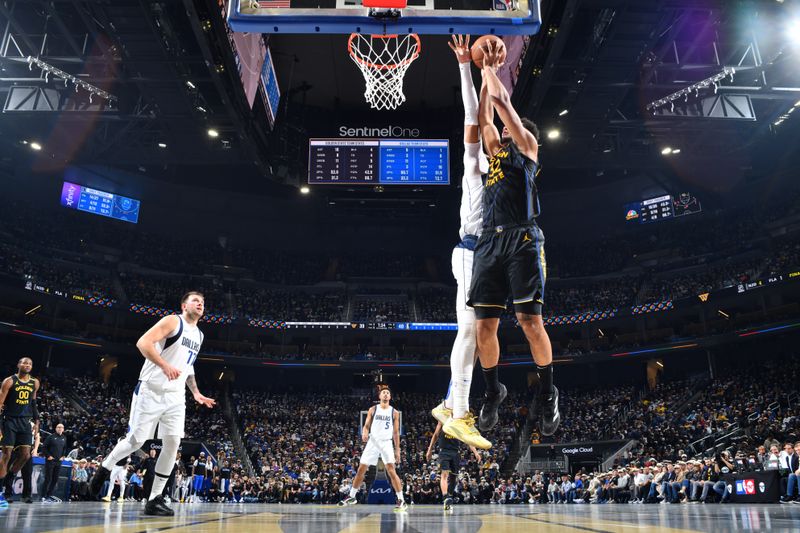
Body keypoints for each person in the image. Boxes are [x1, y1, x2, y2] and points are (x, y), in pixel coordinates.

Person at [467, 39, 559, 436]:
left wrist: (490, 67)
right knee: (483, 327)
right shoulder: (496, 149)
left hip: (523, 239)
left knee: (528, 321)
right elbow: (487, 117)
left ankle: (549, 392)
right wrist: (479, 74)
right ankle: (492, 392)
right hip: (489, 240)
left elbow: (503, 108)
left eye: (510, 129)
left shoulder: (527, 147)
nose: (503, 130)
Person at [88, 291, 216, 516]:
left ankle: (154, 498)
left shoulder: (200, 335)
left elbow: (188, 367)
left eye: (203, 302)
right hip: (151, 389)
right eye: (196, 301)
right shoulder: (172, 321)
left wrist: (196, 392)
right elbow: (143, 343)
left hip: (176, 396)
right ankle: (106, 466)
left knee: (173, 444)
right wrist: (164, 365)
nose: (200, 304)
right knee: (136, 441)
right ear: (184, 305)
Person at [429, 34, 490, 451]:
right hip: (470, 251)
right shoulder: (477, 165)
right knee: (468, 326)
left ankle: (451, 401)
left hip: (493, 257)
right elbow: (473, 115)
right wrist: (468, 67)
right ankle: (458, 410)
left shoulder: (516, 173)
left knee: (480, 332)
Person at [338, 387, 407, 512]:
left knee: (391, 471)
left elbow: (396, 432)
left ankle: (401, 500)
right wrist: (364, 432)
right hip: (373, 442)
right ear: (379, 396)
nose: (385, 394)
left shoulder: (394, 412)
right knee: (361, 469)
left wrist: (397, 450)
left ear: (390, 397)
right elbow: (366, 425)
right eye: (383, 393)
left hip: (386, 443)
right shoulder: (373, 409)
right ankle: (352, 497)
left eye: (388, 393)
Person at [0, 357, 40, 508]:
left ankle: (8, 478)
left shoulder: (34, 382)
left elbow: (33, 402)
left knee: (25, 455)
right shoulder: (9, 381)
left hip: (25, 422)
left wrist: (37, 421)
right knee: (7, 455)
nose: (27, 365)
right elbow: (0, 403)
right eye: (24, 363)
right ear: (18, 365)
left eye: (30, 363)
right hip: (10, 421)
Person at [425, 418, 482, 511]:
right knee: (444, 474)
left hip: (455, 453)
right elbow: (435, 435)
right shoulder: (442, 420)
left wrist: (475, 452)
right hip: (444, 452)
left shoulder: (460, 422)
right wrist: (429, 450)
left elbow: (467, 439)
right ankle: (445, 497)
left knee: (453, 478)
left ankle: (449, 497)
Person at [41, 422, 67, 502]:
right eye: (58, 427)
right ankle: (43, 496)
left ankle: (49, 495)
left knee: (55, 479)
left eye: (61, 427)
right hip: (50, 461)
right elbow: (44, 447)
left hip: (58, 462)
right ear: (56, 428)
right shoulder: (51, 437)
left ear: (63, 429)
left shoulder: (64, 438)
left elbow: (65, 448)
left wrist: (63, 456)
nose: (60, 428)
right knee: (48, 478)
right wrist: (48, 456)